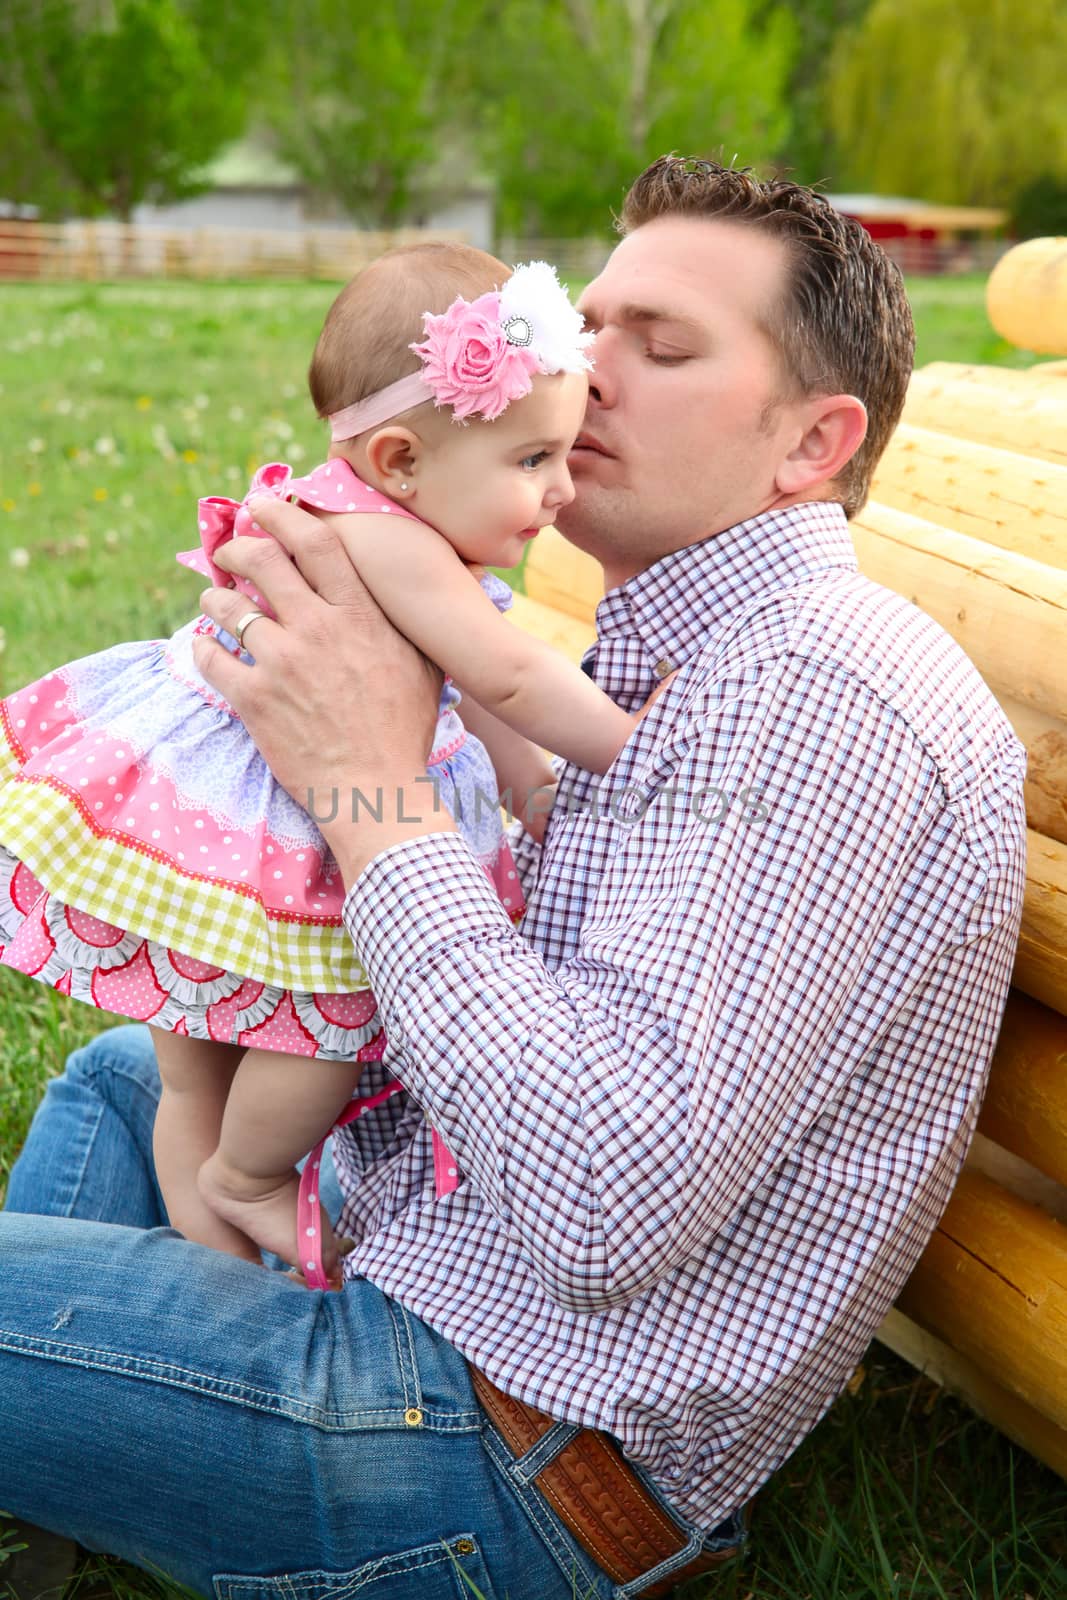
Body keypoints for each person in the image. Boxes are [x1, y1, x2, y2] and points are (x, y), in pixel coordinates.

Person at [0, 157, 1026, 1600]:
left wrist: (368, 790)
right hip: (416, 1255)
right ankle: (69, 1474)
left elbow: (601, 1203)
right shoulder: (680, 647)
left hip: (499, 1442)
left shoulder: (819, 694)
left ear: (812, 443)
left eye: (657, 346)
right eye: (581, 322)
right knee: (134, 1079)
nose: (580, 372)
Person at [0, 245, 638, 1288]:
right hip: (286, 829)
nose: (562, 489)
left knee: (189, 1078)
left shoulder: (356, 510)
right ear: (398, 460)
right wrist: (637, 745)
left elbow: (479, 703)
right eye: (532, 461)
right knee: (328, 1018)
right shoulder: (391, 544)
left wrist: (532, 795)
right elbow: (509, 677)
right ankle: (253, 1179)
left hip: (200, 824)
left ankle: (218, 1275)